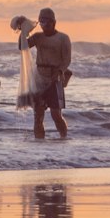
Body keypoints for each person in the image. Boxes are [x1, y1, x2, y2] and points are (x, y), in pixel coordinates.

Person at [27, 7, 72, 140]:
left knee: (56, 114)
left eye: (47, 22)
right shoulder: (37, 37)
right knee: (38, 115)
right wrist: (24, 30)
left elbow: (66, 60)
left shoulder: (63, 38)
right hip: (39, 78)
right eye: (41, 22)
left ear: (54, 22)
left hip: (55, 79)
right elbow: (22, 46)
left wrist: (59, 71)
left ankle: (64, 138)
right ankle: (39, 144)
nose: (44, 25)